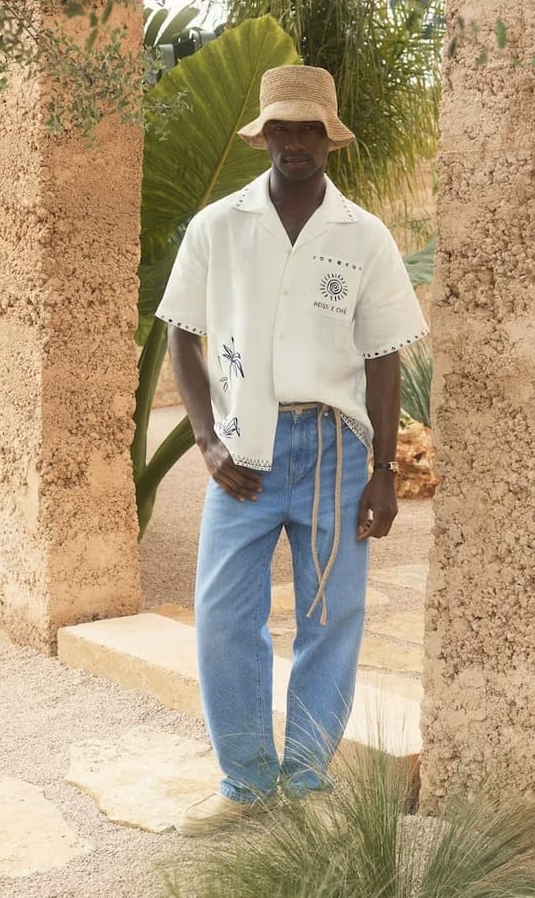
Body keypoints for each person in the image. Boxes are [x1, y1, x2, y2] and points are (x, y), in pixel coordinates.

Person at [155, 64, 429, 836]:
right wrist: (206, 442)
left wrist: (382, 472)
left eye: (309, 128)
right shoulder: (219, 225)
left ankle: (307, 785)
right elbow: (182, 330)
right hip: (243, 452)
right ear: (265, 135)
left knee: (331, 616)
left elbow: (384, 356)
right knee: (221, 616)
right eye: (282, 127)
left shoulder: (364, 236)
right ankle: (244, 784)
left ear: (328, 139)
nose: (295, 142)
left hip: (336, 451)